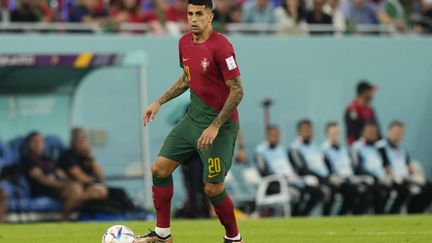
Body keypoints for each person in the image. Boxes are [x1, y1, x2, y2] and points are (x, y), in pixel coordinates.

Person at [137, 0, 244, 242]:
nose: (193, 19)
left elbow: (238, 91)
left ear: (210, 17)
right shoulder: (184, 43)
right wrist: (159, 101)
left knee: (212, 188)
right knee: (159, 169)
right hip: (192, 120)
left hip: (221, 127)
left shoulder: (222, 47)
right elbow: (187, 79)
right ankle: (163, 235)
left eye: (199, 14)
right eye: (189, 14)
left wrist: (215, 126)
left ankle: (234, 238)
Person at [255, 125, 323, 216]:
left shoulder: (281, 150)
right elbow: (263, 172)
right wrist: (284, 177)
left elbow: (291, 168)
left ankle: (302, 215)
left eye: (277, 135)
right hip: (275, 184)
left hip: (291, 181)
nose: (276, 137)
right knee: (298, 192)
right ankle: (297, 215)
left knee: (317, 192)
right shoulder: (260, 151)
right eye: (273, 135)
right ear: (267, 136)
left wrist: (299, 177)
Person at [22, 132, 87, 220]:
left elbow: (61, 174)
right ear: (29, 144)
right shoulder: (28, 160)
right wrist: (62, 185)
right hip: (44, 189)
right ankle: (64, 219)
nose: (39, 144)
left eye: (41, 141)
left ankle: (73, 213)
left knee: (80, 188)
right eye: (35, 141)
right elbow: (42, 179)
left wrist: (70, 182)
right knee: (76, 190)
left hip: (59, 187)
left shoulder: (47, 159)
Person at [376, 121, 431, 213]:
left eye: (400, 132)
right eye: (396, 132)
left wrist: (414, 175)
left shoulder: (402, 150)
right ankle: (393, 213)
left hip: (406, 178)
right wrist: (395, 176)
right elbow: (384, 167)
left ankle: (415, 213)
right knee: (403, 190)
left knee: (428, 187)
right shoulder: (381, 147)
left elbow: (409, 166)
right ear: (389, 131)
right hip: (392, 178)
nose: (398, 135)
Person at [288, 119, 337, 216]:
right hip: (307, 179)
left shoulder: (316, 147)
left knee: (336, 187)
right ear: (299, 132)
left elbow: (326, 164)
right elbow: (300, 168)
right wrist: (321, 178)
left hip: (323, 178)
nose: (308, 132)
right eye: (305, 130)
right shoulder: (294, 148)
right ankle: (301, 215)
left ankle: (327, 216)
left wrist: (331, 176)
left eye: (310, 130)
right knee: (318, 191)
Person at [322, 122, 371, 215]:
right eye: (333, 133)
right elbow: (327, 169)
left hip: (350, 179)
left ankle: (357, 217)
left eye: (337, 133)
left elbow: (352, 167)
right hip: (337, 181)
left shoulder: (344, 150)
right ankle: (342, 215)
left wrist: (357, 177)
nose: (335, 136)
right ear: (327, 134)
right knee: (351, 191)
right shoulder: (324, 151)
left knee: (365, 190)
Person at [351, 122, 390, 214]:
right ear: (363, 132)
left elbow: (386, 165)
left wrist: (389, 175)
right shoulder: (357, 147)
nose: (372, 134)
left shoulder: (379, 148)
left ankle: (382, 215)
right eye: (370, 131)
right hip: (367, 178)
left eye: (374, 132)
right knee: (373, 191)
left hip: (382, 178)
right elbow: (357, 167)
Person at [344, 80, 380, 146]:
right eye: (370, 92)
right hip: (357, 147)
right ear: (363, 93)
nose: (372, 95)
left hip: (371, 146)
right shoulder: (352, 109)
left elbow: (377, 130)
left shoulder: (369, 109)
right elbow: (353, 132)